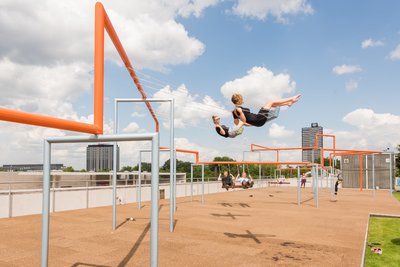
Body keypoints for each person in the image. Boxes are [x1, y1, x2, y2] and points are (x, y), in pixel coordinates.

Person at [231, 93, 301, 127]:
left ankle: (287, 103)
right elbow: (243, 121)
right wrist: (242, 115)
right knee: (270, 102)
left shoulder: (235, 111)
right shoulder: (238, 110)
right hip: (258, 119)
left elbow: (237, 123)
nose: (243, 100)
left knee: (271, 105)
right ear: (239, 100)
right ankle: (291, 98)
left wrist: (251, 125)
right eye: (242, 99)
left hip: (258, 121)